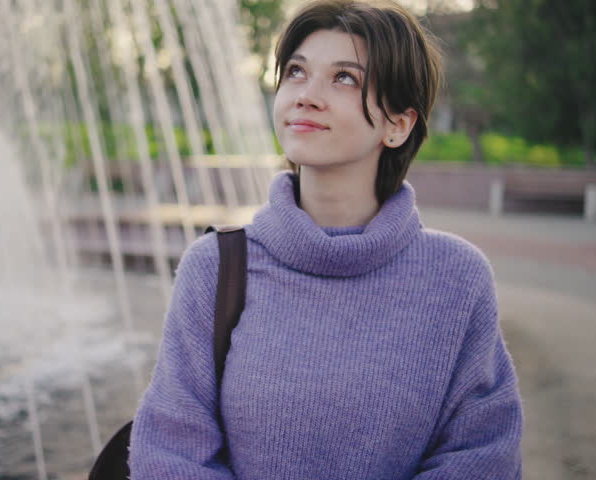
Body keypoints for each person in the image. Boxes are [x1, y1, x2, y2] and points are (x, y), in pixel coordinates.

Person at [128, 1, 523, 478]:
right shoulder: (215, 266)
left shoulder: (456, 279)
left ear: (399, 124)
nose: (306, 95)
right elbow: (170, 451)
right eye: (296, 72)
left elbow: (482, 455)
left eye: (344, 78)